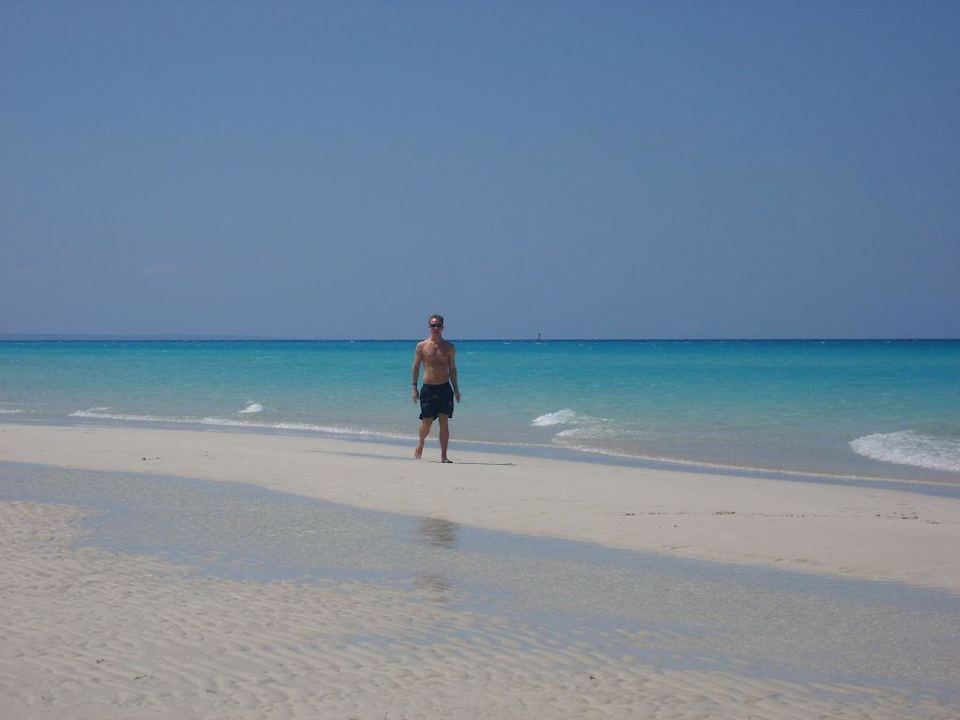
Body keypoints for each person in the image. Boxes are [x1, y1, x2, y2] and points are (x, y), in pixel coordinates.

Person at [411, 314, 461, 462]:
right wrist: (414, 387)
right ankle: (421, 442)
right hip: (428, 389)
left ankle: (444, 456)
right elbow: (416, 367)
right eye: (433, 325)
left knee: (444, 422)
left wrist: (456, 389)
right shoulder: (422, 346)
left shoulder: (449, 347)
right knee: (426, 423)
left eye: (438, 325)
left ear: (443, 327)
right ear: (429, 327)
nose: (436, 328)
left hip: (445, 388)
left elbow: (452, 369)